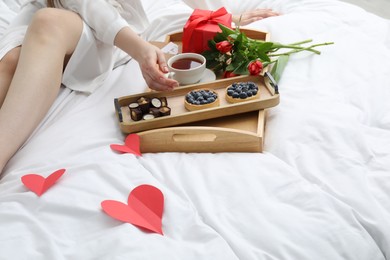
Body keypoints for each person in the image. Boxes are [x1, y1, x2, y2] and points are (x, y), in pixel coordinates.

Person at [0, 0, 279, 174]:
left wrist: (218, 20)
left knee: (48, 24)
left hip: (99, 25)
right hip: (57, 9)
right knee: (12, 61)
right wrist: (140, 49)